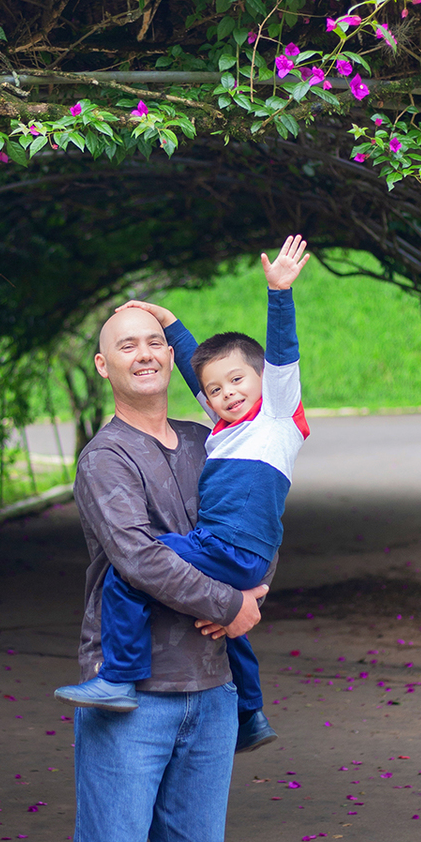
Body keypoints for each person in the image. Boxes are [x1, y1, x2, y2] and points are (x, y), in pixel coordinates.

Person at [52, 304, 270, 842]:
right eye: (127, 345)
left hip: (210, 686)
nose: (144, 354)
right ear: (104, 366)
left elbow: (256, 513)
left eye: (154, 343)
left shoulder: (211, 439)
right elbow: (138, 558)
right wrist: (229, 604)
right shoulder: (106, 458)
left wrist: (253, 585)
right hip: (132, 690)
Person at [54, 235, 310, 755]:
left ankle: (119, 677)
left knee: (127, 578)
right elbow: (204, 372)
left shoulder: (275, 416)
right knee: (226, 627)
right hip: (234, 567)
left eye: (239, 381)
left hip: (227, 581)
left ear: (265, 380)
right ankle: (250, 712)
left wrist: (279, 294)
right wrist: (170, 323)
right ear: (103, 364)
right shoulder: (221, 431)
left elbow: (281, 357)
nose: (226, 393)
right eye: (217, 391)